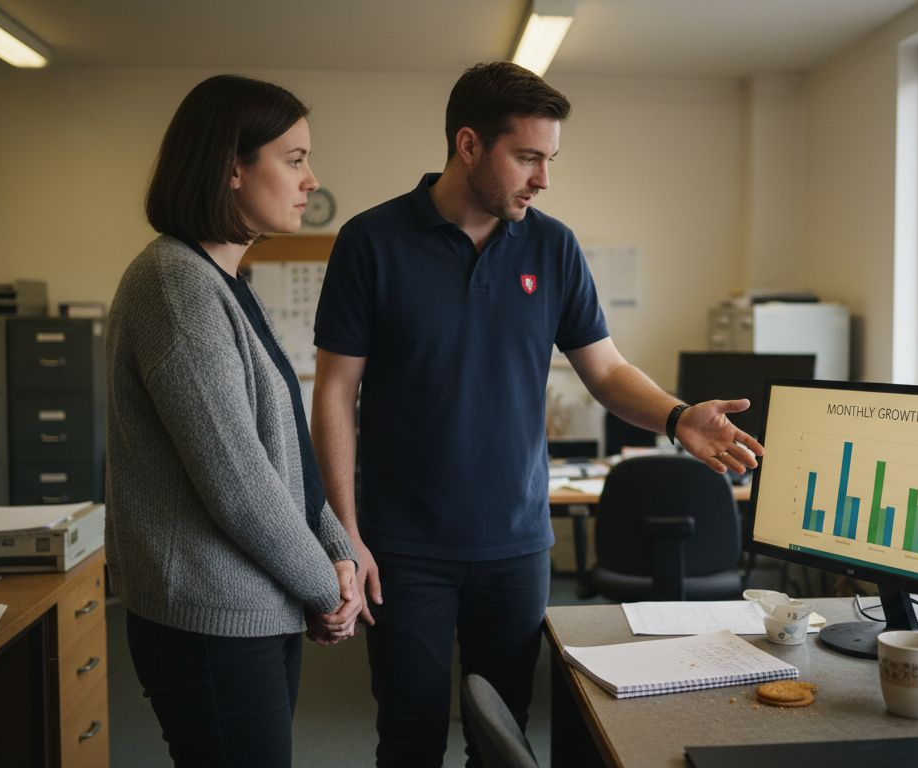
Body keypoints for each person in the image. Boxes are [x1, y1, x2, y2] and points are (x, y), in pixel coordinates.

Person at [311, 61, 764, 766]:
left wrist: (678, 418)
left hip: (517, 545)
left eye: (549, 160)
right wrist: (348, 534)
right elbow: (336, 391)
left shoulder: (552, 246)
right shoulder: (372, 242)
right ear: (468, 145)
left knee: (504, 733)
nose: (543, 179)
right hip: (406, 546)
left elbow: (606, 370)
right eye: (527, 157)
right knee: (410, 731)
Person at [105, 74, 361, 768]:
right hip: (207, 617)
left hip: (255, 603)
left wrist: (335, 551)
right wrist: (324, 584)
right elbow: (237, 479)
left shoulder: (226, 282)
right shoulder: (175, 282)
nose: (312, 180)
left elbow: (285, 459)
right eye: (295, 158)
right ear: (231, 168)